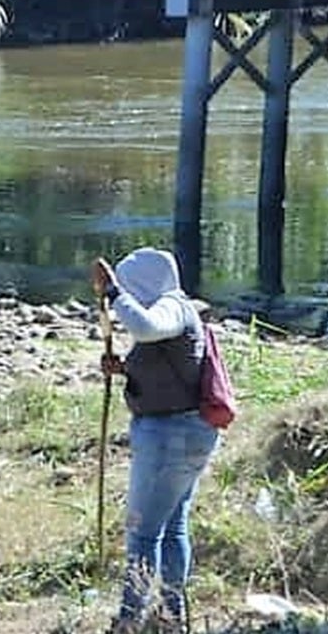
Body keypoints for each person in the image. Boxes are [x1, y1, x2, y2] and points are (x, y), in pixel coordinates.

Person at [91, 246, 219, 634]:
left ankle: (130, 620)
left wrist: (113, 291)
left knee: (142, 530)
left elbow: (145, 327)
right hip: (187, 434)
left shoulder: (171, 308)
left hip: (169, 438)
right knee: (173, 525)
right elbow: (165, 363)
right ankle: (171, 618)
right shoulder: (174, 313)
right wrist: (126, 369)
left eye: (132, 287)